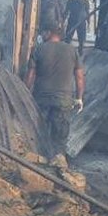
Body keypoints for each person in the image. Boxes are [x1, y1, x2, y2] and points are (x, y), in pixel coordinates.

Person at [24, 24, 85, 153]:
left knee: (39, 133)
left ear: (49, 33)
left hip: (41, 99)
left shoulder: (39, 49)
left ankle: (38, 161)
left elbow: (31, 75)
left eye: (43, 32)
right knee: (60, 137)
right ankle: (57, 162)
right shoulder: (72, 50)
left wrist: (25, 93)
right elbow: (79, 77)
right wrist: (79, 98)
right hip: (63, 101)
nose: (42, 35)